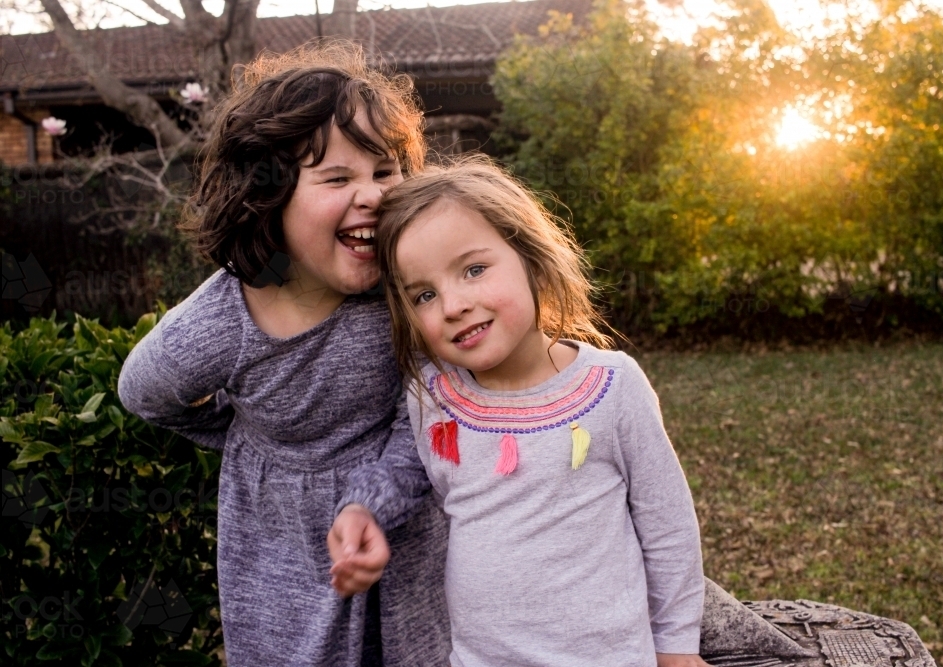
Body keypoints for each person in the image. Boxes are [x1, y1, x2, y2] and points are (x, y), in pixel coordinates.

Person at [117, 42, 449, 667]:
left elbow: (431, 413)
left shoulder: (407, 289)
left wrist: (370, 499)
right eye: (337, 177)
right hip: (284, 554)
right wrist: (254, 438)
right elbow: (143, 392)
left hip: (407, 538)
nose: (373, 195)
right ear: (266, 194)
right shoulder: (222, 322)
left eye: (385, 172)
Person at [329, 157, 708, 667]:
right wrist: (362, 509)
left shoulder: (612, 387)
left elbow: (668, 529)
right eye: (424, 294)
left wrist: (677, 647)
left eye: (474, 269)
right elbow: (408, 470)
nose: (452, 305)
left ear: (530, 257)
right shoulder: (432, 396)